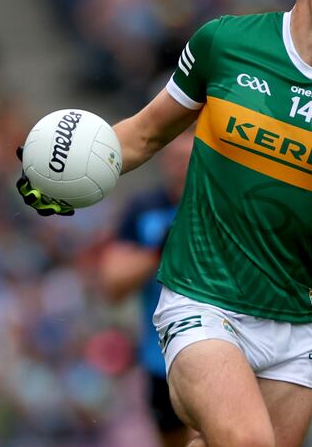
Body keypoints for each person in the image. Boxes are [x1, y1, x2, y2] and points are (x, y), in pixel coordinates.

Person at [17, 0, 312, 447]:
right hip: (201, 298)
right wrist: (59, 173)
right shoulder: (225, 45)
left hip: (295, 321)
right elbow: (141, 135)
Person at [99, 131, 195, 447]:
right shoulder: (144, 209)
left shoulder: (229, 209)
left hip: (229, 350)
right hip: (161, 362)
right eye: (174, 152)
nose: (180, 160)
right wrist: (157, 254)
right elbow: (112, 283)